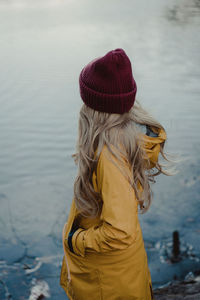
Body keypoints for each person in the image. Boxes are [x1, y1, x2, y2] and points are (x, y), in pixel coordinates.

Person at [60, 48, 176, 300]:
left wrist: (75, 240)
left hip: (109, 285)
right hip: (119, 274)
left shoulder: (111, 155)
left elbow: (120, 232)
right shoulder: (126, 139)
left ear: (94, 105)